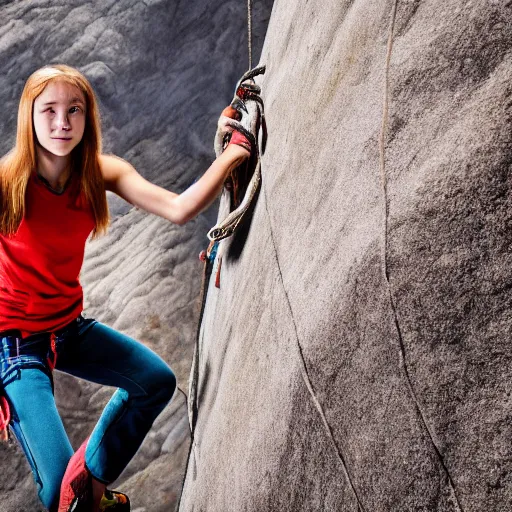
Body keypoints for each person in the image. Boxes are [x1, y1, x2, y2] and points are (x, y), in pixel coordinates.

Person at [0, 64, 254, 512]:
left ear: (87, 116)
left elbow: (179, 209)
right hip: (16, 344)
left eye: (74, 110)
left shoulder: (100, 171)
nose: (62, 123)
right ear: (29, 116)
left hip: (67, 328)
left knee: (155, 382)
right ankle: (86, 498)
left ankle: (91, 491)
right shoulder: (6, 183)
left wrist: (233, 152)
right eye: (50, 110)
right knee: (58, 489)